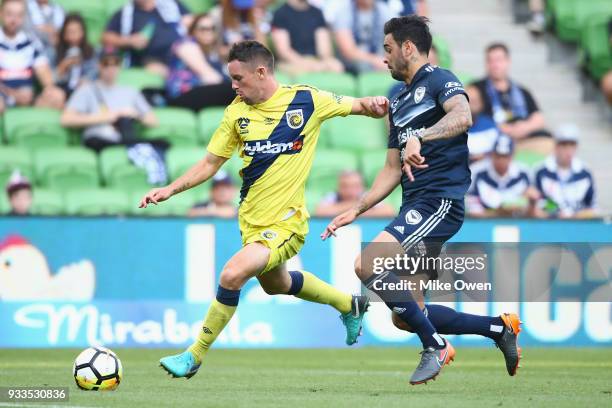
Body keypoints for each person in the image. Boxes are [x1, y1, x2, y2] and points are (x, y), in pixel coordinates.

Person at [139, 40, 390, 378]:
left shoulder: (307, 100)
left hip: (288, 224)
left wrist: (374, 104)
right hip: (251, 223)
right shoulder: (236, 113)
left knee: (231, 274)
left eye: (238, 78)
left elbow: (359, 104)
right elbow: (211, 163)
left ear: (260, 72)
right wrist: (170, 189)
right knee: (276, 284)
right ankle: (349, 304)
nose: (233, 85)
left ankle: (194, 355)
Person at [322, 16, 521, 385]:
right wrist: (354, 209)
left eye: (387, 49)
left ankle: (435, 345)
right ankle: (499, 328)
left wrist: (422, 137)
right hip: (414, 204)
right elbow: (391, 169)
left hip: (439, 201)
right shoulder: (397, 100)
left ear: (407, 48)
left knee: (366, 265)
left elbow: (463, 116)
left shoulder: (441, 79)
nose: (384, 58)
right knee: (406, 315)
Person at [61, 48, 159, 153]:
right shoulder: (87, 90)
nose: (111, 68)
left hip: (124, 138)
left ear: (120, 66)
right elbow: (66, 119)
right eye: (106, 64)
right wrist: (103, 117)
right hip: (99, 139)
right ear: (99, 66)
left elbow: (153, 120)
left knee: (162, 144)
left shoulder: (130, 91)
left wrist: (136, 115)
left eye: (116, 63)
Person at [472, 43, 552, 154]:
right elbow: (473, 118)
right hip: (493, 143)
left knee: (548, 143)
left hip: (524, 139)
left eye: (499, 60)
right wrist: (505, 129)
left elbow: (539, 118)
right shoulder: (476, 89)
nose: (495, 65)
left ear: (508, 61)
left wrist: (523, 127)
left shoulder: (521, 91)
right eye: (490, 60)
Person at [0, 0, 65, 110]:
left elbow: (43, 69)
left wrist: (49, 88)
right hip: (3, 93)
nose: (13, 20)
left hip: (27, 95)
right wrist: (12, 94)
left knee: (57, 96)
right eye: (9, 14)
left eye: (18, 15)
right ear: (1, 14)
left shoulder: (31, 41)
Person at [166, 12, 236, 111]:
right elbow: (210, 77)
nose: (209, 32)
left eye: (212, 28)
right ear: (193, 31)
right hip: (183, 95)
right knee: (242, 90)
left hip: (201, 93)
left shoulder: (211, 53)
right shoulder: (186, 45)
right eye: (203, 29)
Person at [102, 0, 192, 76]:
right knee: (154, 68)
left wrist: (188, 24)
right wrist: (130, 41)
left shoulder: (171, 5)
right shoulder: (125, 13)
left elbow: (192, 21)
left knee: (187, 48)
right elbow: (106, 37)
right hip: (150, 60)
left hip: (181, 53)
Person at [533, 125, 597, 219]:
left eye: (572, 145)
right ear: (556, 146)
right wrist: (556, 213)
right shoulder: (542, 171)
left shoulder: (585, 173)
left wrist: (576, 215)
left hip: (578, 225)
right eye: (564, 145)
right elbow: (538, 205)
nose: (568, 150)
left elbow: (591, 206)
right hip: (550, 224)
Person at [467, 134, 537, 218]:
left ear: (512, 156)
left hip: (518, 221)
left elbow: (540, 207)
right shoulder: (477, 172)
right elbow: (471, 211)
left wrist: (532, 203)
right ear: (492, 155)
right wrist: (499, 213)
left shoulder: (524, 173)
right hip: (485, 224)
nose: (501, 160)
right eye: (498, 155)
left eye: (505, 156)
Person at [270, 0, 343, 76]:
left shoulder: (317, 13)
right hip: (292, 63)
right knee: (294, 70)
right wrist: (306, 64)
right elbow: (284, 52)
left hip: (316, 61)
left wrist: (319, 64)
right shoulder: (280, 13)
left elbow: (325, 50)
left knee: (336, 65)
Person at [331, 0, 397, 74]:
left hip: (380, 62)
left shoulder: (385, 11)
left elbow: (397, 42)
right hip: (350, 67)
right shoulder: (343, 12)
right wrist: (376, 61)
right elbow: (348, 52)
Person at [315, 170, 395, 217]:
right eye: (345, 186)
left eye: (355, 186)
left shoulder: (368, 195)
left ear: (362, 187)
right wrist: (358, 207)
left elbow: (389, 211)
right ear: (339, 187)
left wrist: (355, 213)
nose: (350, 191)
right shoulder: (332, 196)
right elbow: (319, 212)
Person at [55, 13, 98, 97]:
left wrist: (86, 80)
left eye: (76, 31)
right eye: (70, 32)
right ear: (64, 34)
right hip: (62, 90)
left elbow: (95, 72)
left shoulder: (92, 52)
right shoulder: (54, 52)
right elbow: (50, 79)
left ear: (83, 32)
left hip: (84, 91)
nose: (73, 35)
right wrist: (64, 65)